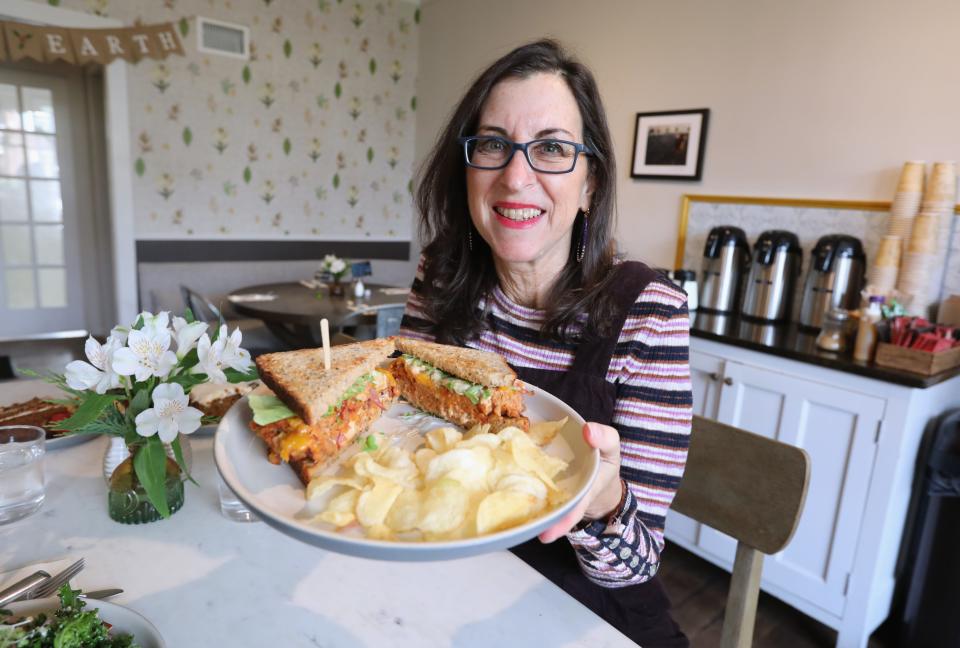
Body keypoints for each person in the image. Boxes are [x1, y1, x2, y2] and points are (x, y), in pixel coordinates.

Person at [400, 39, 692, 647]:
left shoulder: (648, 314)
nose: (515, 176)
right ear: (467, 166)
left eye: (553, 148)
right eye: (492, 144)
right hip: (448, 585)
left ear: (590, 184)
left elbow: (635, 566)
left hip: (584, 616)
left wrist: (602, 502)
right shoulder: (440, 279)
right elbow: (403, 442)